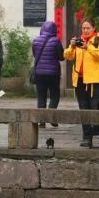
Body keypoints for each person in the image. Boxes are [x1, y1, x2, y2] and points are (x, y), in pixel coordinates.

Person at [64, 18, 99, 147]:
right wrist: (72, 46)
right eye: (83, 28)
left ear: (93, 28)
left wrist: (87, 47)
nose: (85, 30)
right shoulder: (78, 41)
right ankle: (87, 138)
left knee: (97, 108)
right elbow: (67, 56)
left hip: (96, 80)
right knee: (83, 108)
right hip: (80, 80)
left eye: (88, 28)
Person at [31, 19, 63, 147]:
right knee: (55, 94)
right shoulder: (56, 41)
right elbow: (61, 56)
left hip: (39, 72)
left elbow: (35, 55)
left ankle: (41, 120)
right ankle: (51, 116)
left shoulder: (36, 41)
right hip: (53, 73)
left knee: (41, 96)